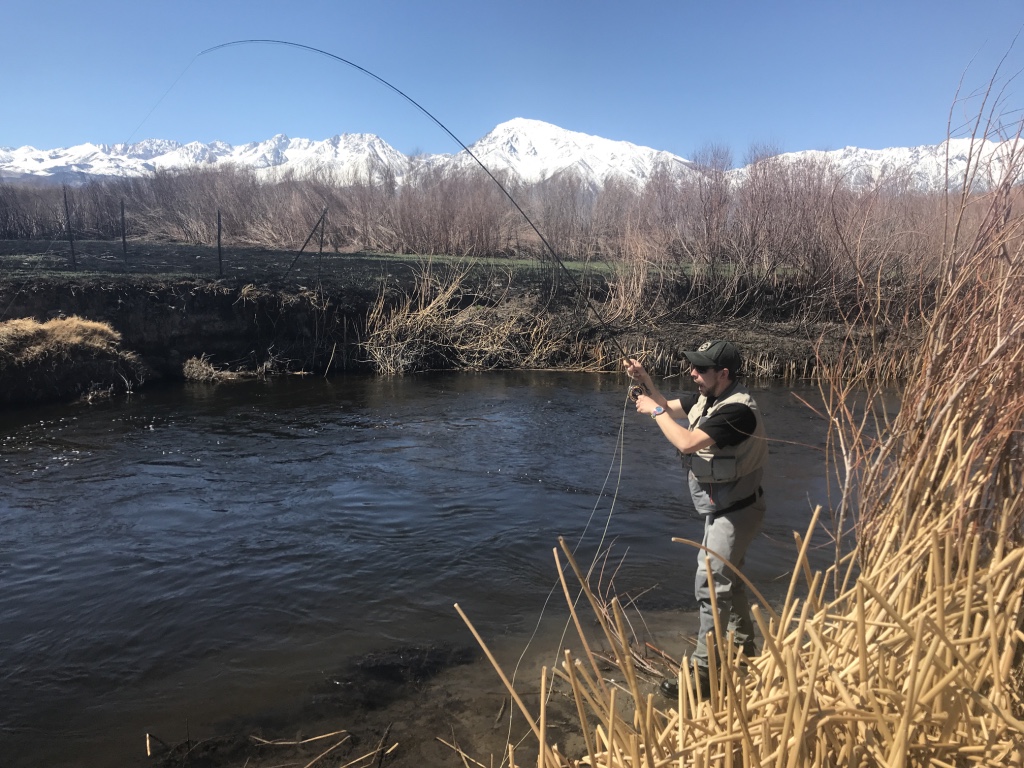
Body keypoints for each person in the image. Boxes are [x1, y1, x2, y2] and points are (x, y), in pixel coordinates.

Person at [624, 340, 768, 699]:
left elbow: (687, 442)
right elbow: (665, 407)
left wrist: (654, 412)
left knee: (710, 586)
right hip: (724, 509)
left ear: (723, 374)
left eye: (700, 369)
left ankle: (703, 677)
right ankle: (745, 656)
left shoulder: (738, 412)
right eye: (693, 367)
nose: (693, 374)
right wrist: (646, 382)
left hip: (736, 512)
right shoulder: (706, 398)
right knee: (728, 586)